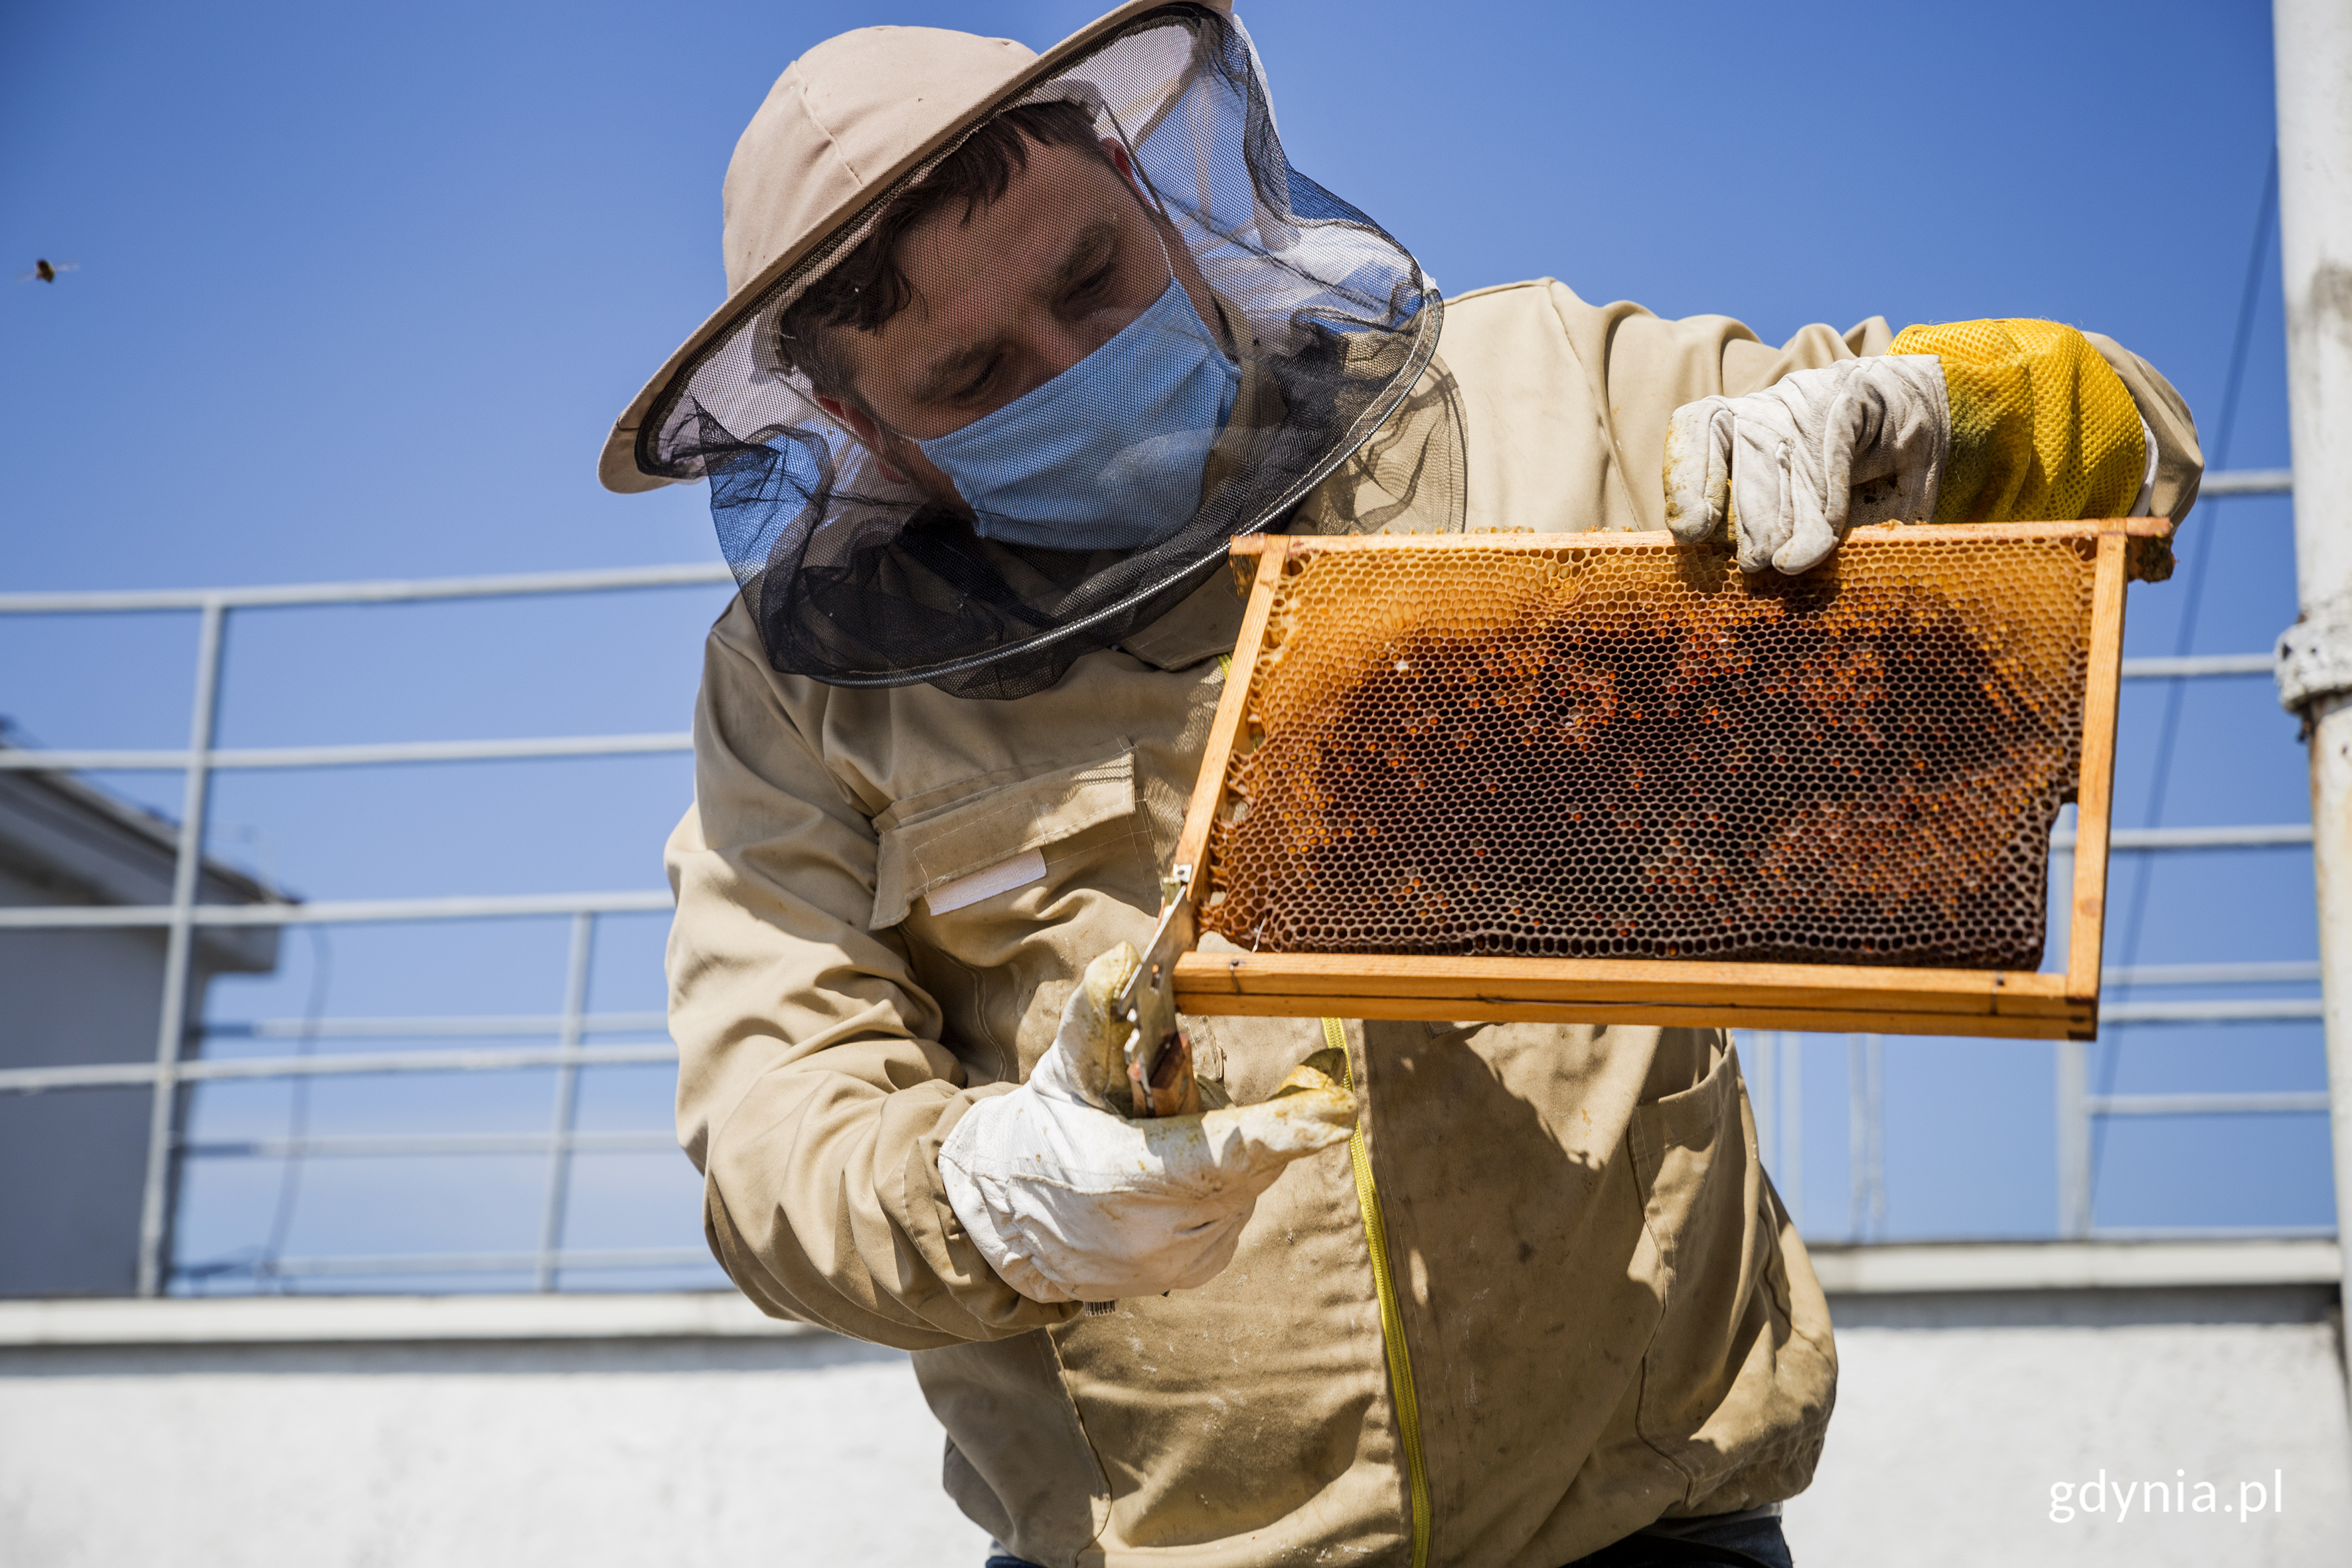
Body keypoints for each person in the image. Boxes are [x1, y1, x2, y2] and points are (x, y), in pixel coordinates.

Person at [600, 5, 2203, 1565]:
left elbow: (2125, 433)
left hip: (1649, 1525)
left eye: (1094, 275)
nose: (1073, 363)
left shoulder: (1544, 397)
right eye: (973, 377)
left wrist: (1930, 415)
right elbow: (772, 1133)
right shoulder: (795, 695)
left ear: (1147, 186)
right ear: (852, 421)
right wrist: (989, 1191)